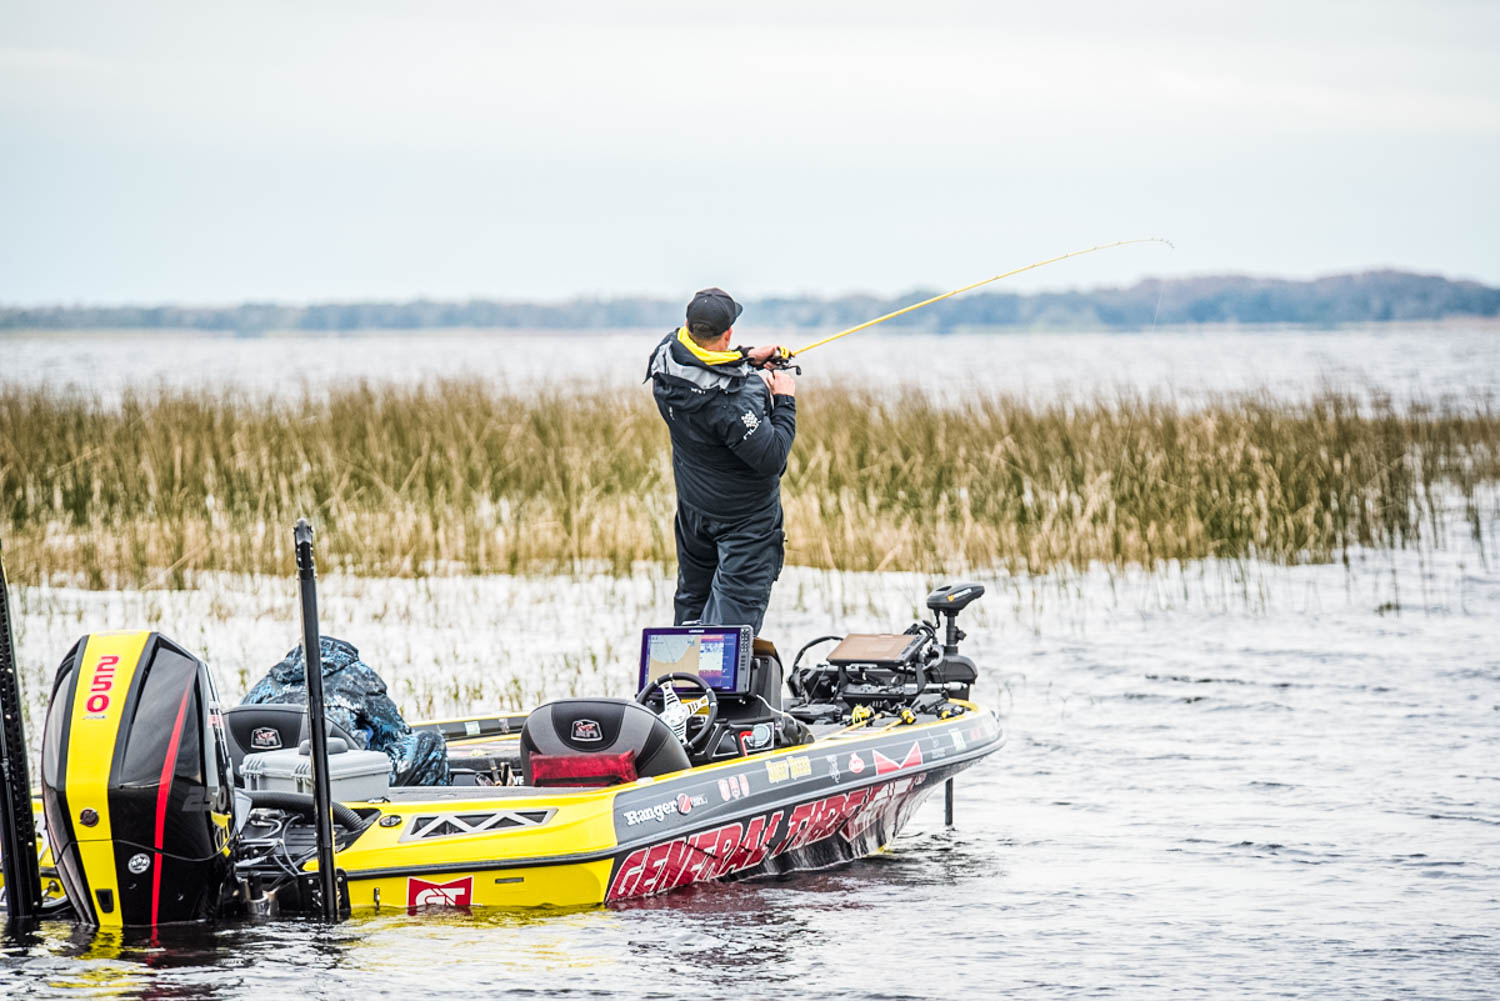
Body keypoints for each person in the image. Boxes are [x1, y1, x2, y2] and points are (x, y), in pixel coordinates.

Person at [645, 287, 796, 636]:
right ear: (727, 333)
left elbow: (702, 364)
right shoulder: (736, 401)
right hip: (746, 526)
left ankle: (679, 686)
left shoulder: (665, 359)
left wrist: (745, 358)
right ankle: (710, 690)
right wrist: (784, 400)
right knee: (725, 636)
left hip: (695, 517)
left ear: (687, 325)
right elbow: (772, 458)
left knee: (691, 616)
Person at [241, 635, 450, 786]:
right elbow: (396, 733)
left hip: (272, 780)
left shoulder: (268, 682)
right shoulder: (356, 675)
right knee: (430, 742)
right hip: (342, 781)